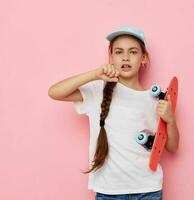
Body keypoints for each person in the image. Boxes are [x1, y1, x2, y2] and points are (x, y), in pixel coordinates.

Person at [48, 25, 180, 200]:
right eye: (118, 52)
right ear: (110, 57)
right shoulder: (98, 91)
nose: (125, 57)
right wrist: (94, 74)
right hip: (109, 191)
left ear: (144, 58)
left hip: (148, 188)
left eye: (133, 52)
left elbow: (172, 147)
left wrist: (170, 119)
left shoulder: (155, 99)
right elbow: (55, 92)